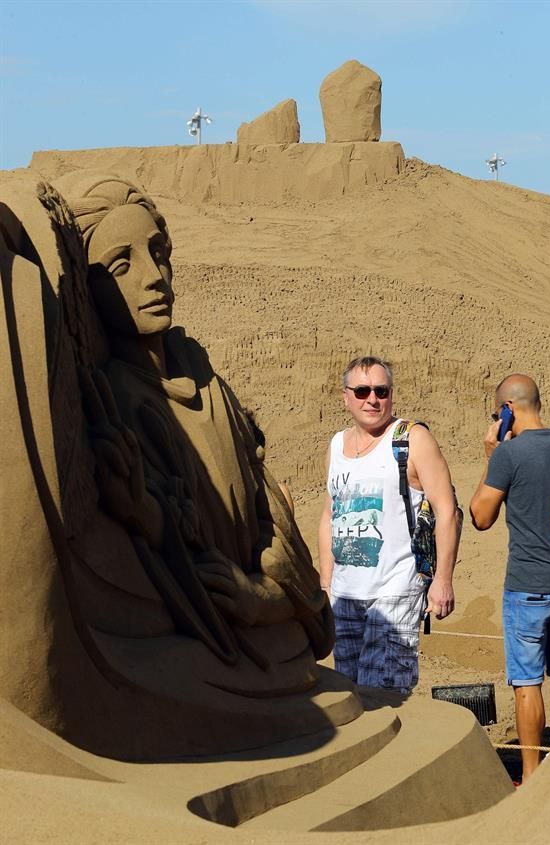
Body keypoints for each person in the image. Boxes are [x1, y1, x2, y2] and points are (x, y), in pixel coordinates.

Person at [55, 171, 333, 681]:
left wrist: (266, 598)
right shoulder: (115, 400)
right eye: (122, 265)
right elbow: (157, 554)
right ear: (89, 291)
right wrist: (143, 512)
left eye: (158, 253)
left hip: (274, 631)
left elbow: (268, 505)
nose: (153, 277)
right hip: (208, 642)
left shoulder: (203, 375)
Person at [470, 374, 550, 783]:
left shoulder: (509, 454)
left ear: (507, 410)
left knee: (527, 683)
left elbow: (480, 516)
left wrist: (491, 456)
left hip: (528, 587)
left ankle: (530, 777)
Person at [318, 356, 460, 693]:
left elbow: (447, 511)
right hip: (345, 594)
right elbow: (329, 515)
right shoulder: (336, 445)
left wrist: (442, 580)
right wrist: (326, 582)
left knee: (383, 695)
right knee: (349, 694)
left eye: (381, 391)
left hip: (396, 588)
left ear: (391, 394)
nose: (372, 399)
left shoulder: (412, 438)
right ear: (345, 397)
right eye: (362, 391)